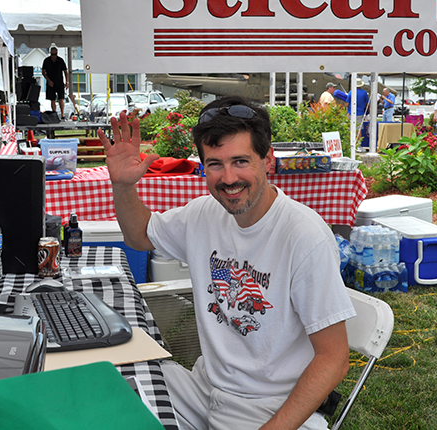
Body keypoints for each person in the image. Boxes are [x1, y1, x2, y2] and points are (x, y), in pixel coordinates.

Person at [97, 96, 355, 430]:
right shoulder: (205, 213)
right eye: (215, 164)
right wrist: (123, 185)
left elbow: (334, 359)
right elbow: (140, 236)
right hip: (203, 390)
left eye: (240, 161)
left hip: (268, 408)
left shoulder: (304, 236)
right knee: (109, 384)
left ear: (267, 159)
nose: (228, 177)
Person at [42, 46, 69, 120]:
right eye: (52, 54)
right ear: (50, 53)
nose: (54, 56)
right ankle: (54, 113)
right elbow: (43, 72)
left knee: (61, 98)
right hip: (51, 81)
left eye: (55, 54)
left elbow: (65, 72)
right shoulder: (46, 61)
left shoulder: (60, 60)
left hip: (59, 82)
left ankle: (62, 114)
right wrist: (48, 80)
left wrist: (67, 82)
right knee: (52, 99)